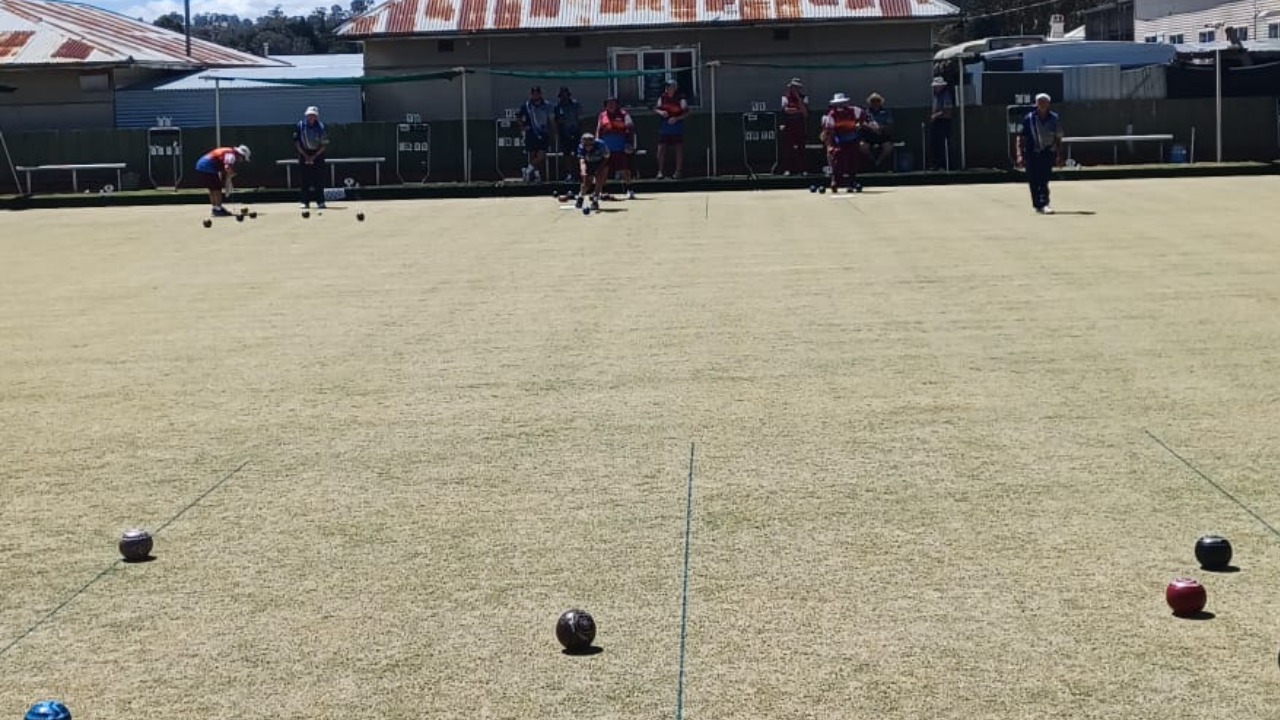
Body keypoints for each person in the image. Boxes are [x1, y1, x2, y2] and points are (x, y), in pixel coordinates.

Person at [1015, 92, 1064, 214]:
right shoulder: (1029, 118)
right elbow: (1021, 137)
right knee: (1033, 179)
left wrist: (1059, 155)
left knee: (1044, 179)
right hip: (1031, 153)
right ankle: (1037, 204)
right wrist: (1019, 155)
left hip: (1047, 152)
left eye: (1045, 102)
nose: (1042, 104)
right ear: (1036, 103)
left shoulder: (1054, 118)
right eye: (1040, 102)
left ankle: (1045, 203)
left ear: (1049, 104)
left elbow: (1058, 138)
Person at [819, 93, 864, 193]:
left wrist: (859, 124)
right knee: (838, 162)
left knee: (853, 162)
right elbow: (829, 130)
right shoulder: (832, 114)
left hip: (853, 139)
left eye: (842, 103)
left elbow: (863, 115)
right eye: (838, 103)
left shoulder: (854, 110)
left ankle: (851, 184)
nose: (840, 105)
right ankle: (835, 181)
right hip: (839, 140)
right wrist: (830, 145)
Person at [194, 144, 250, 217]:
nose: (241, 160)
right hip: (207, 167)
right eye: (243, 158)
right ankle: (218, 209)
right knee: (217, 189)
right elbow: (227, 167)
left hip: (201, 165)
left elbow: (222, 168)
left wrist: (226, 177)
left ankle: (216, 208)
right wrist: (231, 174)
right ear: (240, 155)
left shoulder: (229, 151)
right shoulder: (231, 155)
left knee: (212, 188)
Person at [596, 97, 636, 199]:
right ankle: (601, 192)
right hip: (606, 148)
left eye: (613, 103)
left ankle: (629, 189)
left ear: (617, 104)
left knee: (625, 170)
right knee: (603, 171)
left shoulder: (623, 114)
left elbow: (630, 125)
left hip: (620, 147)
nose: (611, 105)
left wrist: (629, 142)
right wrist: (597, 144)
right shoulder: (602, 115)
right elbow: (598, 130)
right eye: (609, 103)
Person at [294, 105, 329, 209]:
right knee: (304, 179)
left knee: (319, 179)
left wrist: (313, 157)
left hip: (318, 154)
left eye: (313, 115)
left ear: (316, 117)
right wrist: (305, 156)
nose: (311, 117)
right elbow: (296, 142)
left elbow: (324, 144)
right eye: (309, 115)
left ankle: (320, 202)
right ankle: (304, 202)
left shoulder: (321, 127)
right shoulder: (300, 125)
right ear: (306, 115)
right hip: (303, 153)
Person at [517, 86, 553, 183]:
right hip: (531, 134)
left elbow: (551, 119)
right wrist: (523, 127)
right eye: (534, 93)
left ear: (540, 94)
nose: (536, 95)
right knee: (533, 155)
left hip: (543, 133)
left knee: (541, 155)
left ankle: (527, 170)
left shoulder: (547, 105)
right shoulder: (526, 105)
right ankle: (535, 176)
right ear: (531, 94)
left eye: (538, 93)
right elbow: (519, 117)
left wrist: (552, 130)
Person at [654, 80, 689, 179]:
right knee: (661, 148)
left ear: (675, 88)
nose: (668, 88)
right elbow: (656, 108)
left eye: (670, 86)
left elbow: (686, 112)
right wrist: (661, 112)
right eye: (667, 86)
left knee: (678, 148)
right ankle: (660, 171)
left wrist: (676, 118)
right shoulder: (662, 97)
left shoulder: (681, 98)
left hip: (676, 127)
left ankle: (678, 172)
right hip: (664, 127)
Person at [779, 78, 809, 176]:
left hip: (800, 126)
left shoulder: (804, 97)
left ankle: (803, 170)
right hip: (789, 126)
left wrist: (799, 100)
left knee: (802, 149)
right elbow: (786, 110)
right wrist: (798, 110)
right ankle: (787, 169)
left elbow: (805, 113)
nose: (795, 89)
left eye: (797, 88)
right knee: (788, 149)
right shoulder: (785, 97)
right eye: (793, 87)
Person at [858, 93, 895, 170]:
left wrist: (881, 128)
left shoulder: (886, 112)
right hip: (868, 135)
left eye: (877, 101)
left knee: (888, 147)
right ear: (870, 102)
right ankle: (872, 160)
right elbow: (861, 123)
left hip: (882, 135)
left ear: (880, 102)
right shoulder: (865, 112)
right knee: (862, 146)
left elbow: (890, 124)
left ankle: (878, 161)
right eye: (873, 101)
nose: (875, 103)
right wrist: (871, 128)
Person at [575, 132, 611, 211]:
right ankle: (580, 197)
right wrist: (583, 171)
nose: (587, 147)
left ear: (593, 142)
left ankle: (595, 201)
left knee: (599, 181)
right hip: (589, 163)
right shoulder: (581, 147)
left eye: (589, 145)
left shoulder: (601, 145)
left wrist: (599, 168)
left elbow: (607, 157)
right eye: (585, 145)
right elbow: (582, 161)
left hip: (602, 162)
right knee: (586, 183)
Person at [554, 87, 584, 181]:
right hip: (564, 133)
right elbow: (556, 120)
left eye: (565, 94)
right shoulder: (558, 106)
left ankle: (580, 173)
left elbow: (580, 117)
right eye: (562, 95)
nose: (564, 96)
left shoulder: (575, 104)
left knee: (577, 154)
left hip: (576, 132)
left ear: (569, 94)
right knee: (566, 155)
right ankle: (570, 174)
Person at [928, 76, 954, 171]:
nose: (935, 88)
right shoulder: (936, 96)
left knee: (942, 144)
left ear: (942, 86)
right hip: (937, 122)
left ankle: (944, 164)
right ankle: (936, 164)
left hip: (943, 122)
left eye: (937, 86)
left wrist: (935, 115)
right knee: (935, 144)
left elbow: (947, 110)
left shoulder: (946, 95)